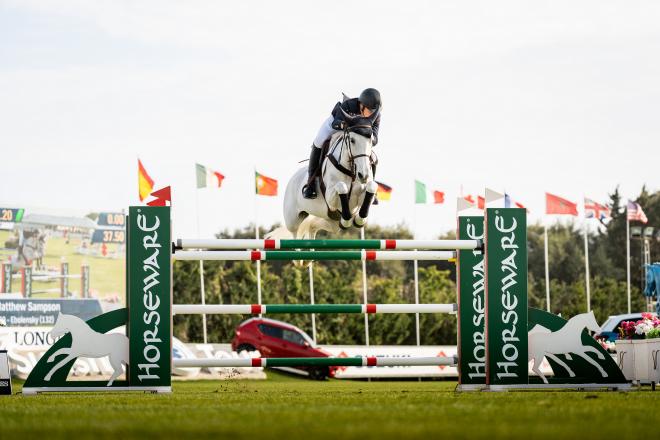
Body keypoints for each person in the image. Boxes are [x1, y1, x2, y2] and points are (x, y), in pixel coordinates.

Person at [302, 88, 381, 199]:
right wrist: (345, 126)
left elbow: (375, 138)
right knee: (318, 142)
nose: (371, 115)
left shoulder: (376, 115)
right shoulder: (349, 105)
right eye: (370, 111)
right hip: (335, 127)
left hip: (357, 137)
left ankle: (370, 187)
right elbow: (335, 123)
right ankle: (310, 184)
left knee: (373, 156)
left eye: (374, 112)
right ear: (362, 105)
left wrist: (367, 139)